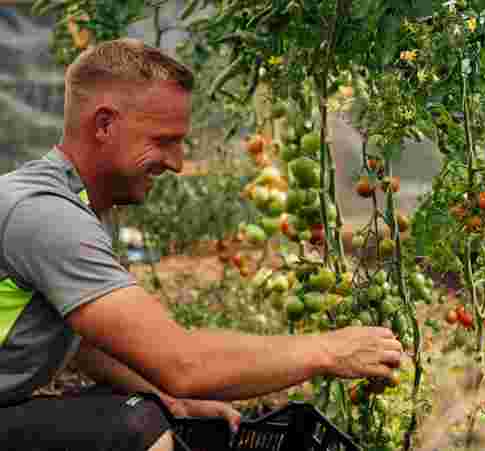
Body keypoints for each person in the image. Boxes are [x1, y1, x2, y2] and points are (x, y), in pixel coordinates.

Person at [0, 38, 403, 451]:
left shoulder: (58, 203)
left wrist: (175, 401)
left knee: (141, 405)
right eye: (162, 140)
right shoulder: (47, 216)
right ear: (104, 125)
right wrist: (327, 350)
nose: (176, 162)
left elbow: (83, 343)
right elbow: (184, 362)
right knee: (135, 423)